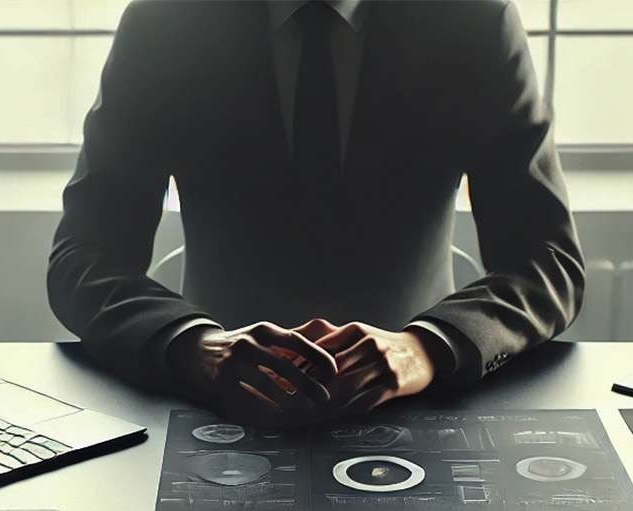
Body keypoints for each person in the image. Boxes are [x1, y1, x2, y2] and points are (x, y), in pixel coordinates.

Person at [47, 0, 583, 426]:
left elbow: (547, 258)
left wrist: (424, 347)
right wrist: (193, 344)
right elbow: (84, 257)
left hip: (418, 406)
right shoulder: (165, 23)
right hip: (215, 410)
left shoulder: (472, 21)